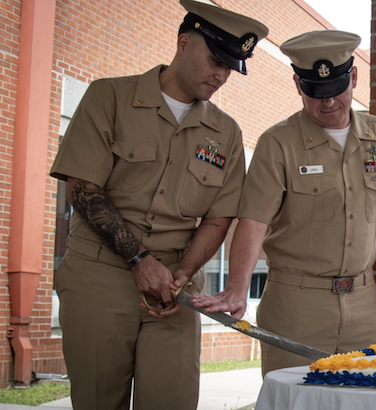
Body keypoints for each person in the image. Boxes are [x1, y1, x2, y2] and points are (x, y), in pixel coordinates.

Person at [49, 1, 268, 409]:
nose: (222, 74)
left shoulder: (226, 132)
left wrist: (182, 272)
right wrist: (140, 261)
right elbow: (82, 190)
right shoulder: (109, 97)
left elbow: (219, 217)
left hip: (176, 288)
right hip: (101, 276)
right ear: (183, 43)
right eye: (215, 59)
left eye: (231, 66)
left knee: (173, 400)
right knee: (99, 400)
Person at [192, 30, 376, 376]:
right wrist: (238, 287)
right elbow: (253, 221)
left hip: (363, 304)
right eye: (316, 92)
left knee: (363, 400)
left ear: (354, 77)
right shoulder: (278, 143)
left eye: (335, 90)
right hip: (295, 305)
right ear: (298, 85)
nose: (327, 102)